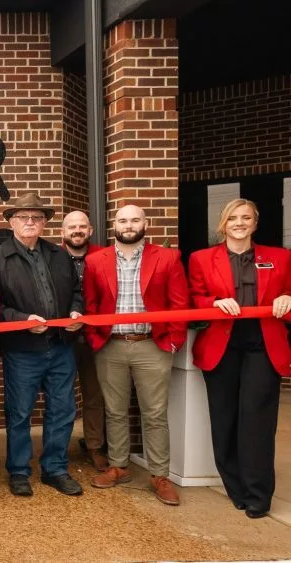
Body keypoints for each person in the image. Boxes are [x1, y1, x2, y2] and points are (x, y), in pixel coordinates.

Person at [188, 199, 291, 518]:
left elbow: (289, 291)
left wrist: (288, 297)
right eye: (233, 217)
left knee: (257, 422)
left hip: (264, 345)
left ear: (255, 223)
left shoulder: (280, 257)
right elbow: (195, 297)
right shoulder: (201, 258)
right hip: (222, 346)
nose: (239, 222)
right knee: (225, 420)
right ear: (223, 223)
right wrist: (215, 302)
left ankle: (259, 493)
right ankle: (236, 488)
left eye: (246, 217)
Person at [84, 205, 189, 505]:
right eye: (122, 220)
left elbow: (180, 304)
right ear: (113, 224)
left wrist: (173, 341)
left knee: (154, 413)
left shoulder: (168, 257)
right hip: (111, 345)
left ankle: (159, 475)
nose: (128, 225)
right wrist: (94, 340)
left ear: (145, 223)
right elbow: (91, 304)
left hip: (152, 345)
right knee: (114, 410)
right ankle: (119, 466)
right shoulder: (95, 261)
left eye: (134, 220)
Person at [0, 193, 85, 497]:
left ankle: (55, 468)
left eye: (37, 217)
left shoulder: (59, 254)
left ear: (44, 223)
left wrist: (77, 311)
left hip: (61, 345)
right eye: (24, 217)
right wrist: (23, 318)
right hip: (22, 349)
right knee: (19, 412)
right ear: (12, 221)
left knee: (62, 409)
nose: (30, 222)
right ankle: (18, 470)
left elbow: (77, 291)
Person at [61, 210, 108, 471]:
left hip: (95, 337)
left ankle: (93, 445)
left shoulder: (105, 257)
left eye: (82, 227)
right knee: (61, 395)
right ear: (63, 232)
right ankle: (59, 448)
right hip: (62, 337)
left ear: (90, 230)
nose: (77, 231)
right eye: (72, 227)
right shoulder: (52, 257)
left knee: (94, 393)